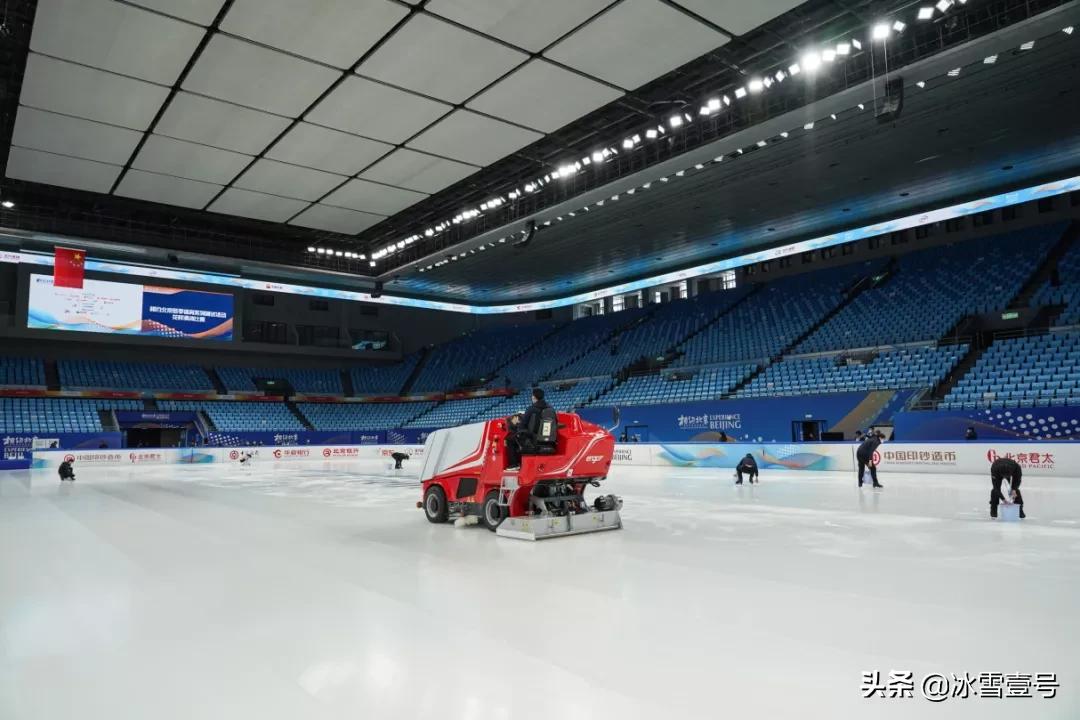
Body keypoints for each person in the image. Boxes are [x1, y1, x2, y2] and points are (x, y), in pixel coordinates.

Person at [505, 388, 551, 468]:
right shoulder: (550, 409)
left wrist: (517, 424)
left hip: (533, 439)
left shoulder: (531, 409)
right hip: (548, 440)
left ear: (534, 397)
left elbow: (522, 425)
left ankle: (514, 464)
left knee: (510, 439)